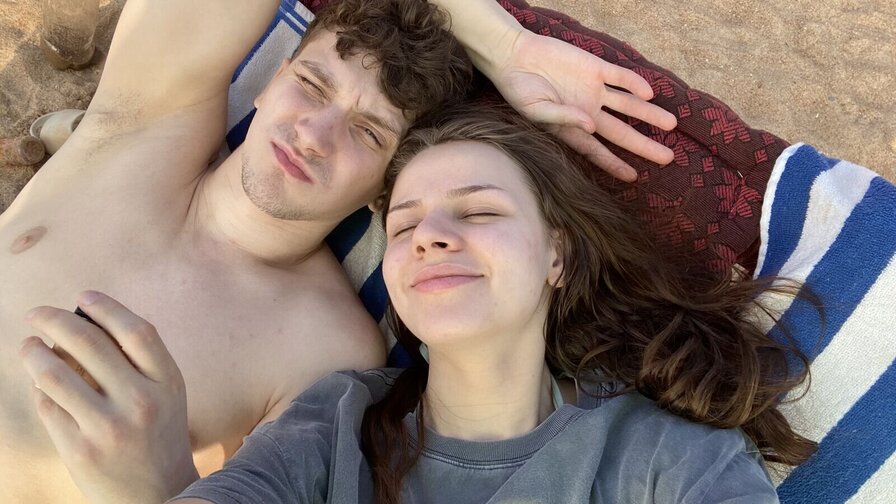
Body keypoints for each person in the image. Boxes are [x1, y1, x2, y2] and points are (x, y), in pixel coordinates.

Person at [5, 0, 676, 502]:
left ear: (387, 190)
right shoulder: (142, 123)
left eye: (367, 132)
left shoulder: (325, 347)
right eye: (312, 85)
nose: (313, 134)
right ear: (271, 79)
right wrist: (506, 45)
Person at [166, 105, 813, 503]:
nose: (430, 236)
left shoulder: (665, 461)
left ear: (557, 255)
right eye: (404, 226)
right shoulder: (336, 423)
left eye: (479, 211)